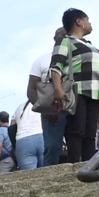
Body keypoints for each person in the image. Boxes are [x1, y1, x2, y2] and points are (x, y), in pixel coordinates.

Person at [51, 8, 99, 164]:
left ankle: (89, 164)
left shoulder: (89, 45)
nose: (90, 24)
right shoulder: (66, 41)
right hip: (77, 90)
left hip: (96, 91)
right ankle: (75, 164)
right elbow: (55, 66)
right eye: (87, 20)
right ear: (79, 22)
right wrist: (58, 89)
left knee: (90, 133)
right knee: (76, 130)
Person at [28, 31, 68, 167]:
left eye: (66, 36)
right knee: (52, 148)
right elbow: (31, 90)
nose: (63, 39)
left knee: (77, 146)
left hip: (73, 107)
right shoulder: (41, 61)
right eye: (60, 36)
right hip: (52, 110)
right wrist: (46, 111)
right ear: (54, 38)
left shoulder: (75, 58)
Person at [13, 91, 46, 170]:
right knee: (46, 173)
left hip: (23, 140)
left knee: (28, 176)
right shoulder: (46, 103)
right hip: (42, 137)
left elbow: (12, 126)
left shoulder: (20, 107)